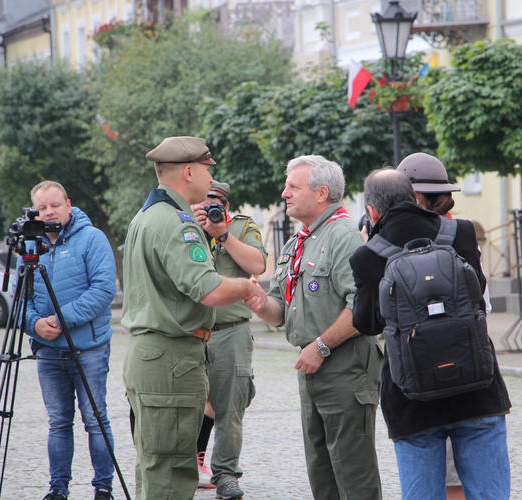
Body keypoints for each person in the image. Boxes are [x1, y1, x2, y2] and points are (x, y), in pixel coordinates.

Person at [350, 165, 511, 500]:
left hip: (412, 399)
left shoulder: (367, 256)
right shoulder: (461, 233)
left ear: (372, 211)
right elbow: (477, 291)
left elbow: (367, 323)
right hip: (477, 388)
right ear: (414, 196)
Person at [121, 136, 267, 500]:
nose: (208, 178)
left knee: (156, 465)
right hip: (171, 359)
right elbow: (209, 290)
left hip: (151, 354)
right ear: (189, 171)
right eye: (206, 169)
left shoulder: (147, 215)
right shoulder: (178, 223)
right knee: (171, 473)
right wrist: (246, 289)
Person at [253, 155, 384, 500]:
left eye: (293, 187)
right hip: (312, 367)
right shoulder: (298, 241)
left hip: (345, 365)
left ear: (322, 193)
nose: (284, 194)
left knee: (353, 473)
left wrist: (322, 346)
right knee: (321, 472)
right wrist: (252, 299)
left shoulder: (343, 237)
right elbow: (279, 310)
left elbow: (362, 306)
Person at [18, 181, 117, 500]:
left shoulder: (92, 239)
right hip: (47, 351)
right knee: (58, 422)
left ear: (68, 204)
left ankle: (103, 487)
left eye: (54, 205)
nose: (48, 212)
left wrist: (61, 320)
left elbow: (103, 290)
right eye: (42, 207)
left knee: (95, 419)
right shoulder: (30, 246)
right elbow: (19, 298)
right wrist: (34, 325)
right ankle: (57, 488)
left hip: (88, 348)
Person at [395, 152, 470, 500]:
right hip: (460, 361)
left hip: (434, 363)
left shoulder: (408, 239)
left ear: (417, 197)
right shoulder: (458, 231)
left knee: (448, 478)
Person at [190, 181, 267, 497]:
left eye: (215, 204)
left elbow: (257, 264)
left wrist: (223, 234)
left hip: (230, 331)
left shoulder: (240, 227)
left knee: (230, 409)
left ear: (226, 205)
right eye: (203, 203)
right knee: (184, 405)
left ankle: (225, 475)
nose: (209, 209)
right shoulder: (181, 225)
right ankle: (183, 469)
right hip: (189, 333)